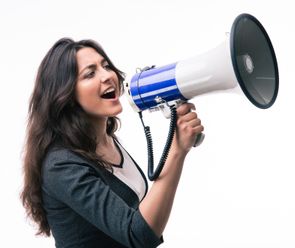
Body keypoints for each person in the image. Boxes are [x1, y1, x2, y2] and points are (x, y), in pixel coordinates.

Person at [20, 37, 204, 248]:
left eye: (106, 66)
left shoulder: (106, 140)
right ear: (66, 95)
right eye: (90, 73)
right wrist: (177, 151)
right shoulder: (61, 165)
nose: (107, 76)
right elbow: (138, 235)